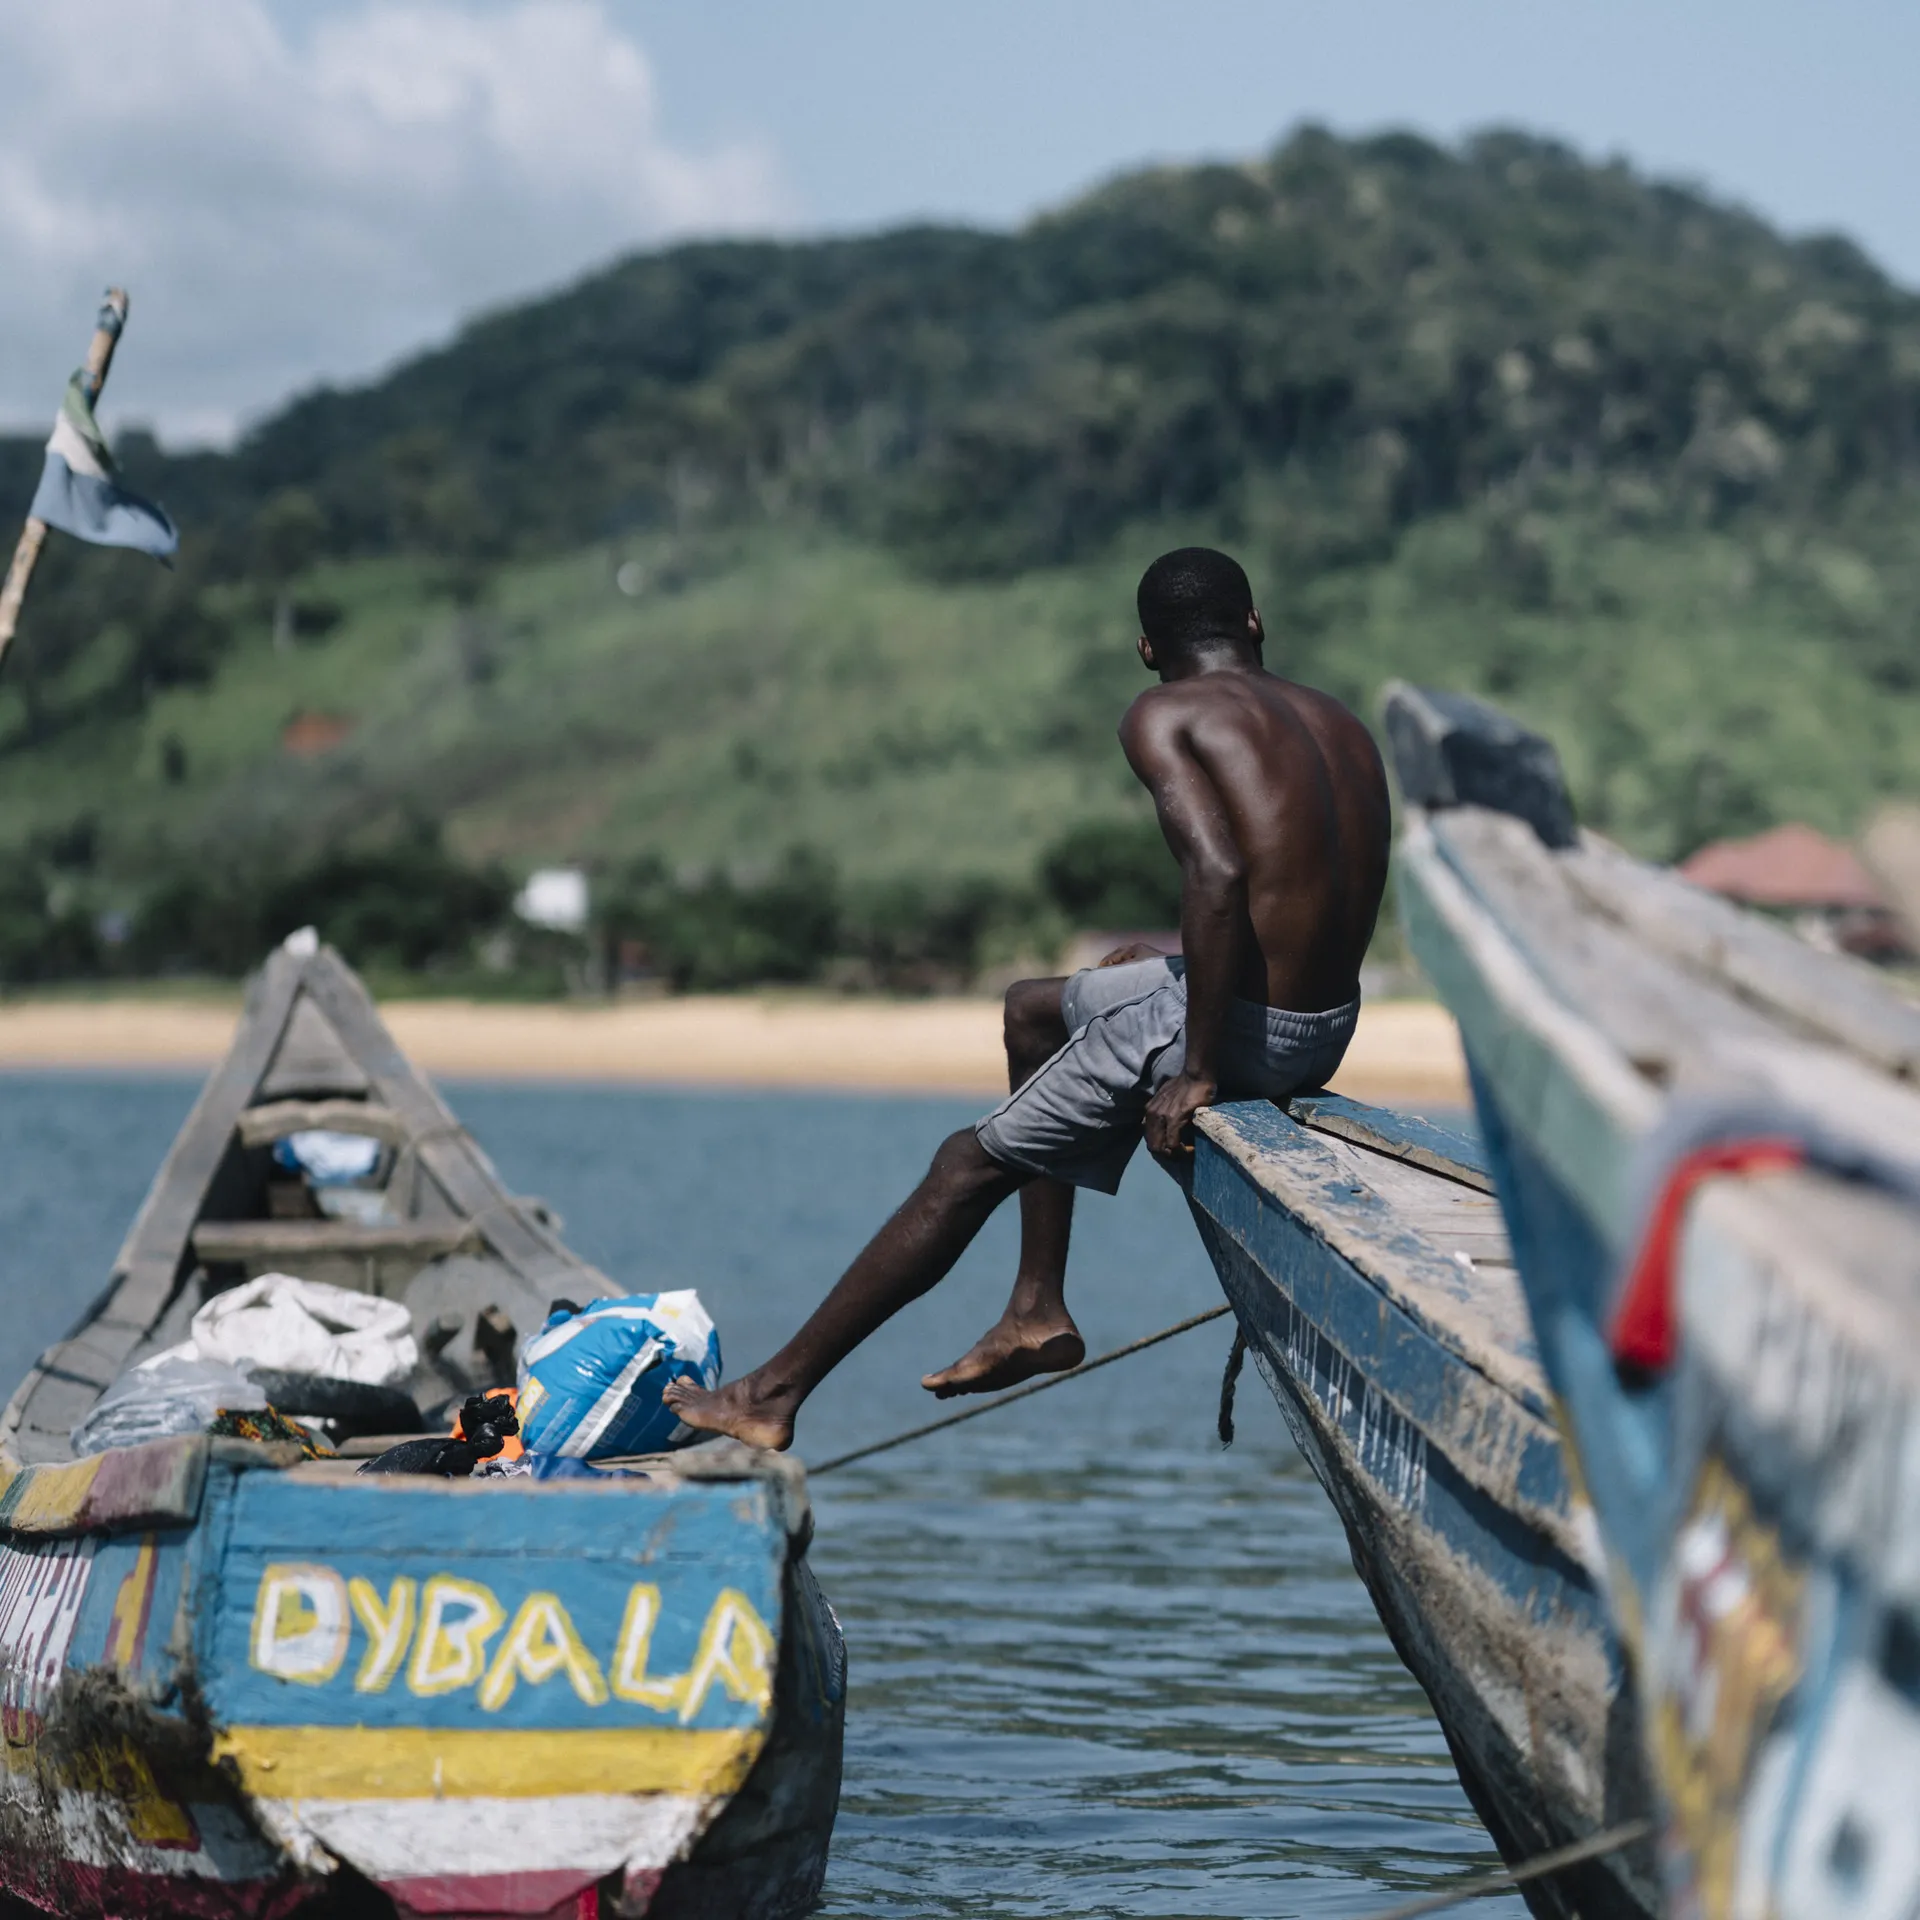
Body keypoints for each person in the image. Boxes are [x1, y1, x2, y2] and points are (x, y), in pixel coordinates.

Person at [665, 547, 1391, 1450]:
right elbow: (1308, 890)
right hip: (1329, 1025)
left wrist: (1200, 1066)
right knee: (1032, 1008)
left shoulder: (1164, 712)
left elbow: (1220, 872)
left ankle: (771, 1394)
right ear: (1255, 624)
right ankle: (1035, 1304)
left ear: (1143, 648)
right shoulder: (1338, 721)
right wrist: (1161, 976)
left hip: (1244, 1036)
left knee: (964, 1165)